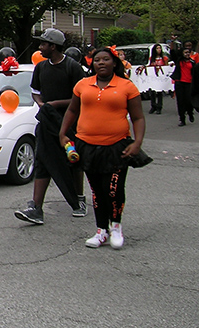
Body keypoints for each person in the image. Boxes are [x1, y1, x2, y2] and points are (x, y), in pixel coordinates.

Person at [59, 47, 145, 249]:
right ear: (92, 64)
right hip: (87, 146)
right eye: (97, 60)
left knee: (114, 190)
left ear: (114, 62)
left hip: (116, 147)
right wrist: (63, 134)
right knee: (97, 191)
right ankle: (101, 231)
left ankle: (116, 227)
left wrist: (137, 142)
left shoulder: (126, 86)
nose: (101, 63)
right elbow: (72, 110)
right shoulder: (82, 85)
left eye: (106, 59)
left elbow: (138, 117)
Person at [15, 28, 86, 224]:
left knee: (73, 161)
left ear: (53, 46)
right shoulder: (41, 68)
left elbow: (79, 97)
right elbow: (35, 91)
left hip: (69, 123)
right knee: (42, 161)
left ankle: (79, 200)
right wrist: (41, 104)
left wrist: (54, 104)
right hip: (47, 122)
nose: (40, 47)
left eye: (43, 44)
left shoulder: (72, 68)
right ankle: (36, 208)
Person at [171, 45, 196, 126]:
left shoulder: (192, 62)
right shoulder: (179, 61)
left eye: (188, 52)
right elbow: (173, 53)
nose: (187, 54)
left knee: (189, 101)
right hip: (180, 83)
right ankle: (182, 119)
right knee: (180, 101)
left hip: (189, 83)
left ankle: (190, 112)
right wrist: (172, 43)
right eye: (185, 52)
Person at [144, 43, 169, 114]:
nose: (159, 50)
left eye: (160, 48)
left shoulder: (164, 58)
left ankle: (159, 106)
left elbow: (166, 67)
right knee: (152, 92)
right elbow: (149, 66)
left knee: (159, 92)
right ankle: (153, 105)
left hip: (160, 78)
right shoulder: (151, 58)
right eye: (157, 48)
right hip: (153, 77)